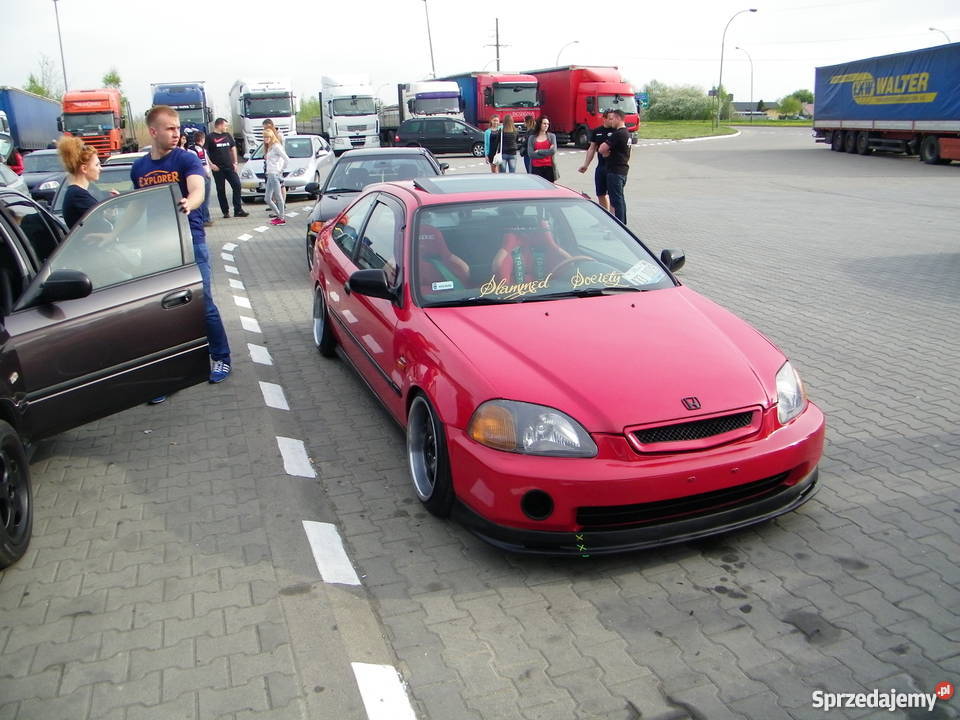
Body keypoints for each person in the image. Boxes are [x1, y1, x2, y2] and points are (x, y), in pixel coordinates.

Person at [132, 105, 232, 388]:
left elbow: (198, 188)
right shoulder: (139, 167)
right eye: (170, 128)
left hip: (191, 242)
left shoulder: (186, 159)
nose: (177, 134)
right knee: (161, 310)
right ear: (153, 132)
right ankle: (166, 374)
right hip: (158, 248)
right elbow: (137, 208)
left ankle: (221, 357)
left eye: (178, 128)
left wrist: (191, 201)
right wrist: (111, 229)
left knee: (204, 304)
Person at [57, 136, 115, 229]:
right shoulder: (78, 195)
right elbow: (104, 228)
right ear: (84, 168)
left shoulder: (76, 193)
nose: (100, 168)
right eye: (97, 165)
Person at [206, 118, 248, 219]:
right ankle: (225, 211)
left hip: (229, 166)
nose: (226, 127)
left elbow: (233, 148)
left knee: (237, 185)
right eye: (225, 125)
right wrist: (211, 165)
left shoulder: (227, 135)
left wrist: (235, 162)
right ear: (219, 125)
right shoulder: (210, 137)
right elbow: (205, 152)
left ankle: (238, 209)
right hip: (218, 168)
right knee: (221, 190)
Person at [598, 109, 631, 224]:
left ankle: (620, 224)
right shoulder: (627, 133)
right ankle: (623, 223)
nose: (611, 122)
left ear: (618, 118)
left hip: (615, 171)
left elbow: (602, 148)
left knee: (616, 200)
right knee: (620, 199)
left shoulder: (618, 134)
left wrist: (606, 153)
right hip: (622, 170)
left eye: (612, 119)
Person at [577, 111, 614, 211]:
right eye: (610, 118)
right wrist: (586, 165)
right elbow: (592, 148)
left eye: (614, 118)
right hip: (601, 166)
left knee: (613, 195)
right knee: (601, 193)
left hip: (613, 167)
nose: (612, 120)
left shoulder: (616, 131)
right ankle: (605, 216)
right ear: (604, 118)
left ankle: (614, 219)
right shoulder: (597, 131)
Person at [187, 130, 214, 227]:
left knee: (203, 198)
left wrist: (212, 165)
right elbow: (200, 163)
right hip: (203, 176)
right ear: (202, 139)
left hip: (202, 175)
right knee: (204, 198)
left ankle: (204, 218)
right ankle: (205, 219)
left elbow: (206, 160)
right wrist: (206, 173)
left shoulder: (197, 149)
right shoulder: (197, 150)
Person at [263, 128, 289, 225]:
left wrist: (280, 170)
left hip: (274, 174)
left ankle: (281, 218)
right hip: (270, 174)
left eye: (267, 137)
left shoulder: (276, 146)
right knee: (267, 198)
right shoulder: (270, 147)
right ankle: (279, 215)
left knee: (278, 196)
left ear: (272, 137)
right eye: (264, 137)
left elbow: (286, 159)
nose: (265, 139)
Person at [527, 116, 558, 183]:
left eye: (547, 124)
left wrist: (539, 151)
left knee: (549, 190)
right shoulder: (532, 138)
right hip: (536, 168)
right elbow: (531, 154)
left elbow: (553, 151)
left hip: (549, 167)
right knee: (537, 190)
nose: (546, 125)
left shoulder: (552, 136)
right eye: (544, 123)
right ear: (539, 124)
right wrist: (547, 152)